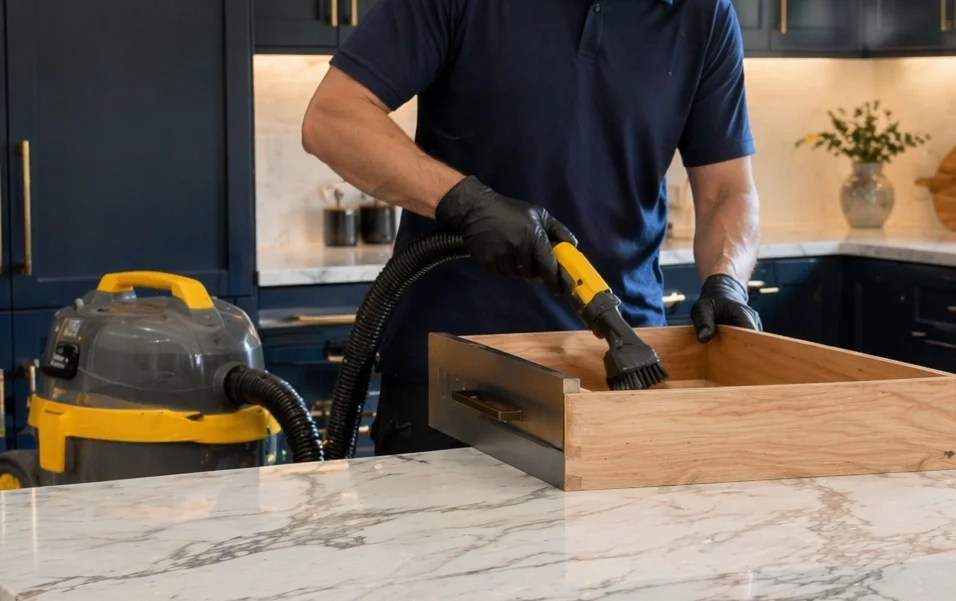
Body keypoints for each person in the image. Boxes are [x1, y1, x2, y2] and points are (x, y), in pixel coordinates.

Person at [302, 0, 762, 455]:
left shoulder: (703, 13)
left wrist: (727, 281)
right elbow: (333, 119)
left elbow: (727, 190)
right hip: (456, 378)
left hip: (620, 370)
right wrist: (468, 204)